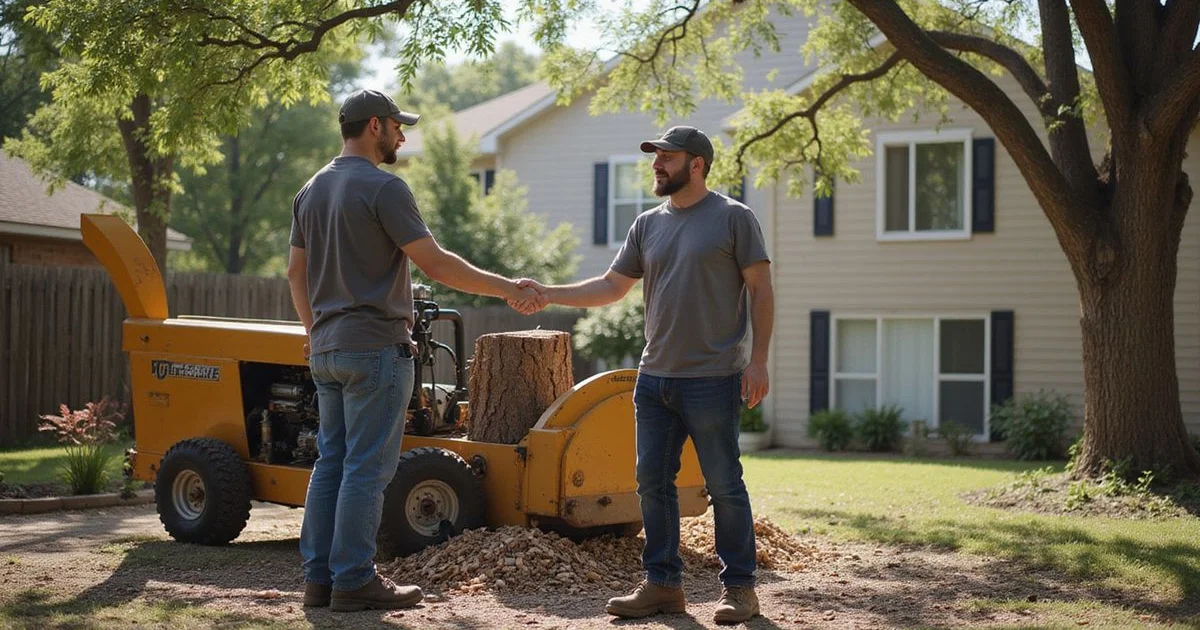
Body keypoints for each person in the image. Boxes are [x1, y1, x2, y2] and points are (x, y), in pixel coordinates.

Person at [287, 88, 544, 613]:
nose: (403, 136)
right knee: (366, 468)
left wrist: (315, 332)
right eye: (398, 126)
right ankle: (355, 580)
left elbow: (295, 272)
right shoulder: (385, 189)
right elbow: (438, 265)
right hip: (376, 348)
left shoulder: (310, 190)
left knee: (331, 463)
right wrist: (508, 288)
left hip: (327, 348)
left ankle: (319, 581)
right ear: (375, 125)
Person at [515, 125, 774, 624]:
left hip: (713, 377)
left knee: (724, 485)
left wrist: (758, 359)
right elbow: (611, 286)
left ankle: (740, 589)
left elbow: (761, 290)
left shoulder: (734, 218)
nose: (657, 164)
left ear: (696, 163)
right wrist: (548, 292)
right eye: (655, 157)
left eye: (667, 157)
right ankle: (662, 585)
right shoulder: (647, 225)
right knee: (651, 484)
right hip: (654, 379)